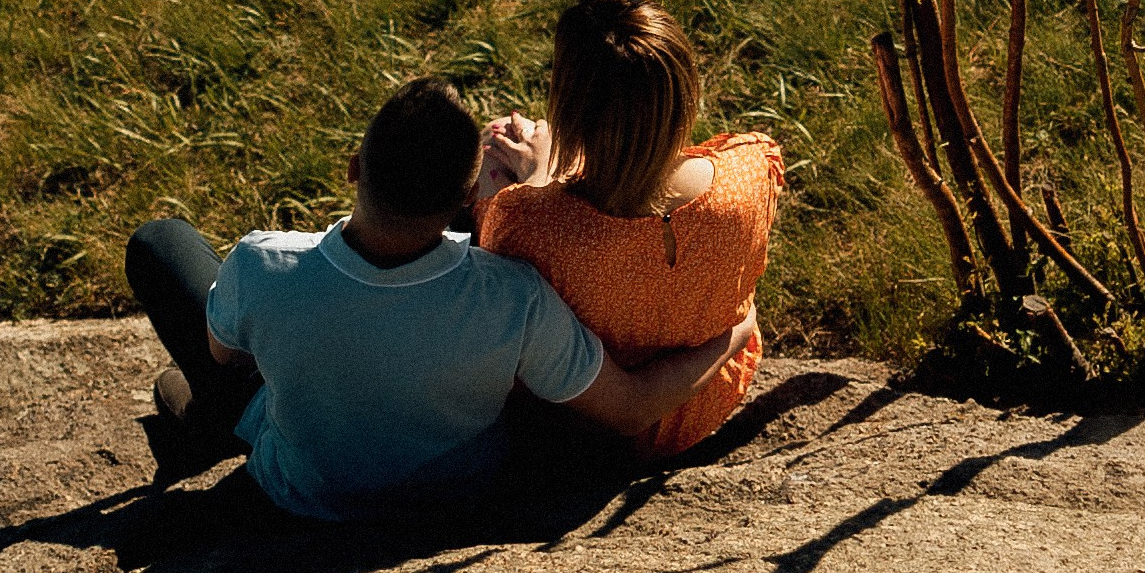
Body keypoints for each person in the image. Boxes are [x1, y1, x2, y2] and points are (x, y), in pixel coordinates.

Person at [124, 74, 751, 520]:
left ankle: (207, 425)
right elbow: (635, 406)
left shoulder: (262, 264)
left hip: (303, 498)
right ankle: (207, 421)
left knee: (161, 243)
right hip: (454, 499)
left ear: (352, 167)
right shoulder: (515, 299)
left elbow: (225, 356)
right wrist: (731, 334)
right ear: (465, 201)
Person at [475, 0, 781, 459]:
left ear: (570, 107)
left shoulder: (527, 222)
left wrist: (543, 175)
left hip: (580, 428)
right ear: (682, 92)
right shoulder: (751, 169)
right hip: (702, 405)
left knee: (495, 144)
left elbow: (499, 283)